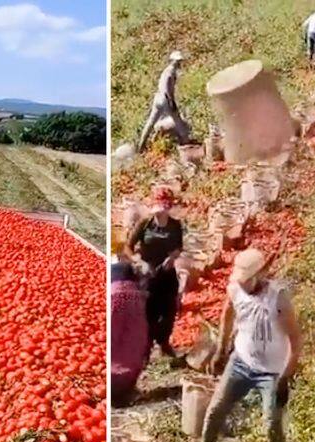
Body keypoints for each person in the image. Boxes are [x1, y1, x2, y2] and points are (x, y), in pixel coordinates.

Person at [202, 248, 303, 442]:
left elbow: (295, 340)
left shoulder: (278, 300)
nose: (241, 283)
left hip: (272, 372)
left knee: (271, 425)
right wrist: (220, 350)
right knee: (213, 413)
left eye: (246, 279)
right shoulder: (235, 290)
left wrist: (285, 377)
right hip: (241, 362)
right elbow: (227, 315)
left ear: (259, 275)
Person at [123, 186, 183, 359]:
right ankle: (146, 346)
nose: (159, 213)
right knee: (149, 311)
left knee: (169, 310)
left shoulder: (175, 226)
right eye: (157, 209)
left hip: (167, 273)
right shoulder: (145, 224)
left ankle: (163, 343)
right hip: (147, 273)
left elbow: (179, 247)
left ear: (168, 208)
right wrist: (138, 261)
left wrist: (172, 258)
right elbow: (128, 247)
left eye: (163, 210)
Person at [110, 261, 151, 406]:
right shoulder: (138, 296)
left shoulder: (114, 291)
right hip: (131, 372)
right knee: (133, 338)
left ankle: (115, 391)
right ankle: (123, 391)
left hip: (114, 294)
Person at [138, 51, 191, 153]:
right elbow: (167, 88)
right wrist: (171, 102)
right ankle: (186, 144)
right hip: (165, 99)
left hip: (158, 98)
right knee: (178, 122)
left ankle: (141, 146)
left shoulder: (166, 71)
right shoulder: (170, 72)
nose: (179, 64)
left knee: (150, 122)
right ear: (172, 61)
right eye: (177, 61)